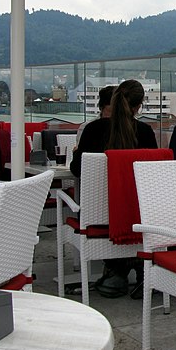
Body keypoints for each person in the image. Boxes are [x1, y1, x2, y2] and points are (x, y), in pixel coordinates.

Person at [69, 79, 157, 299]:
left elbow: (77, 170)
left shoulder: (92, 130)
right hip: (138, 220)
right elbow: (152, 177)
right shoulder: (145, 132)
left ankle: (115, 270)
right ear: (139, 106)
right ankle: (137, 264)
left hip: (97, 217)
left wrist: (76, 154)